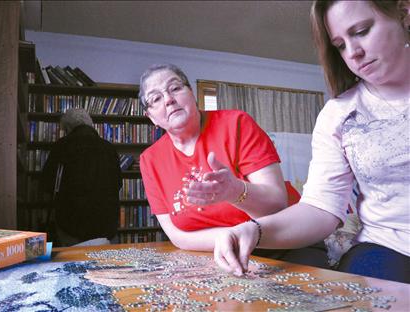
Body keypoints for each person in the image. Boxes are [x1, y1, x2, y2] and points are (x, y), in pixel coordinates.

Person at [214, 0, 410, 283]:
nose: (353, 53)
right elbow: (321, 209)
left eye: (362, 31)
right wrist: (253, 230)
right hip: (388, 248)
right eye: (340, 45)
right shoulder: (339, 114)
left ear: (403, 13)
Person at [139, 63, 329, 268]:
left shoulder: (237, 123)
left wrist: (234, 191)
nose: (168, 100)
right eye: (156, 98)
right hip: (219, 255)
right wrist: (228, 238)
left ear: (191, 93)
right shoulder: (150, 160)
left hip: (284, 245)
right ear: (151, 117)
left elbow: (277, 204)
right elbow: (178, 236)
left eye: (175, 88)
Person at [42, 108, 122, 247]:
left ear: (67, 128)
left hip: (72, 223)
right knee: (105, 266)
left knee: (71, 265)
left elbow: (48, 184)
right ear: (90, 124)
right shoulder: (109, 148)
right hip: (106, 224)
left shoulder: (62, 146)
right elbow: (118, 184)